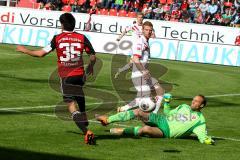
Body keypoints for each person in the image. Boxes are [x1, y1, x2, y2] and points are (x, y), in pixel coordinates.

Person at [16, 13, 96, 145]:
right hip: (80, 74)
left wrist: (25, 50)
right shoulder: (82, 37)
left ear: (62, 24)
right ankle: (84, 114)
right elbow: (92, 56)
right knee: (79, 92)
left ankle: (85, 131)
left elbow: (41, 53)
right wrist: (91, 67)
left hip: (66, 76)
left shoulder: (57, 38)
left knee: (70, 105)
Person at [96, 93, 215, 145]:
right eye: (193, 100)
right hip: (162, 120)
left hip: (166, 132)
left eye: (196, 102)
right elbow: (168, 113)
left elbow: (201, 134)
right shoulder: (184, 106)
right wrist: (167, 103)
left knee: (146, 129)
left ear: (202, 105)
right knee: (138, 111)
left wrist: (206, 140)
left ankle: (122, 131)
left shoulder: (200, 120)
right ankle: (108, 120)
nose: (193, 102)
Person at [116, 21, 164, 114]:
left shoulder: (146, 41)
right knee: (143, 98)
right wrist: (143, 71)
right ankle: (124, 109)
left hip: (143, 73)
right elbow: (135, 58)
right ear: (142, 30)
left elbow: (135, 59)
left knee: (160, 91)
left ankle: (154, 114)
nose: (149, 32)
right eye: (146, 30)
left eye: (150, 30)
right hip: (139, 73)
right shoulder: (140, 42)